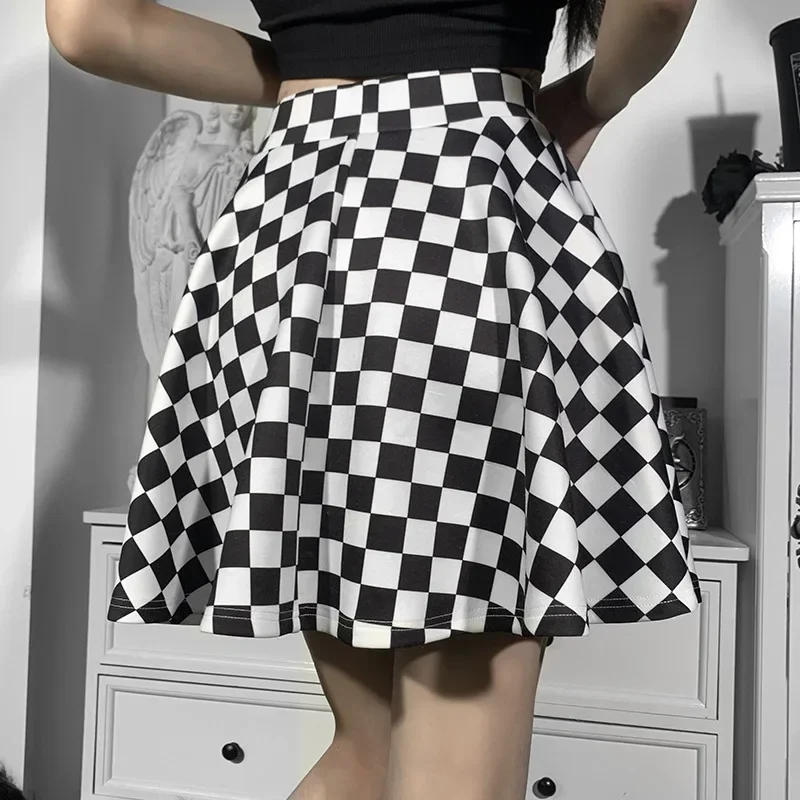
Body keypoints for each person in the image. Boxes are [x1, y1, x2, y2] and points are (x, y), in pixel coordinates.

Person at [45, 2, 701, 799]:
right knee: (448, 771)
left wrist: (308, 76)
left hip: (290, 229)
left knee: (370, 746)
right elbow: (657, 6)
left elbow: (88, 23)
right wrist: (587, 100)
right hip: (457, 212)